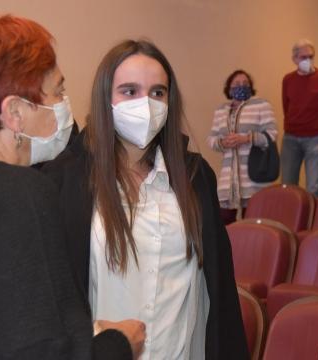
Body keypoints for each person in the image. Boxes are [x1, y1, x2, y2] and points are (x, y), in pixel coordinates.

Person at [0, 10, 143, 360]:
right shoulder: (21, 193)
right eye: (56, 91)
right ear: (15, 113)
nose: (63, 105)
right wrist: (118, 344)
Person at [41, 40, 249, 360]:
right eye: (129, 91)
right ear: (105, 98)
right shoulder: (66, 179)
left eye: (157, 93)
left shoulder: (195, 177)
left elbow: (219, 294)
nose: (146, 104)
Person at [207, 69, 279, 225]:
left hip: (254, 177)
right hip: (228, 180)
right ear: (229, 87)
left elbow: (272, 135)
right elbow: (211, 139)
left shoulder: (261, 105)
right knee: (224, 222)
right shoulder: (221, 110)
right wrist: (222, 143)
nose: (242, 86)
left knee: (253, 223)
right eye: (237, 83)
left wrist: (246, 138)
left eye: (245, 83)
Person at [281, 39, 318, 197]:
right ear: (294, 59)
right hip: (291, 138)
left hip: (316, 138)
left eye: (311, 56)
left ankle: (313, 220)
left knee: (314, 187)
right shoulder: (288, 79)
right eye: (303, 57)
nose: (308, 60)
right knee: (288, 185)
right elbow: (287, 106)